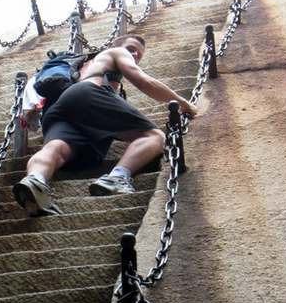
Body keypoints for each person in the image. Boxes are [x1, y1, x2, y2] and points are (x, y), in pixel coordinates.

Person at [12, 34, 197, 216]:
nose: (134, 56)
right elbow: (144, 81)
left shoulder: (83, 65)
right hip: (88, 92)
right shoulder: (115, 52)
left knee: (57, 148)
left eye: (138, 54)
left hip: (59, 108)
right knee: (154, 136)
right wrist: (185, 105)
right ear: (113, 45)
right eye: (131, 49)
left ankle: (35, 180)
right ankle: (118, 177)